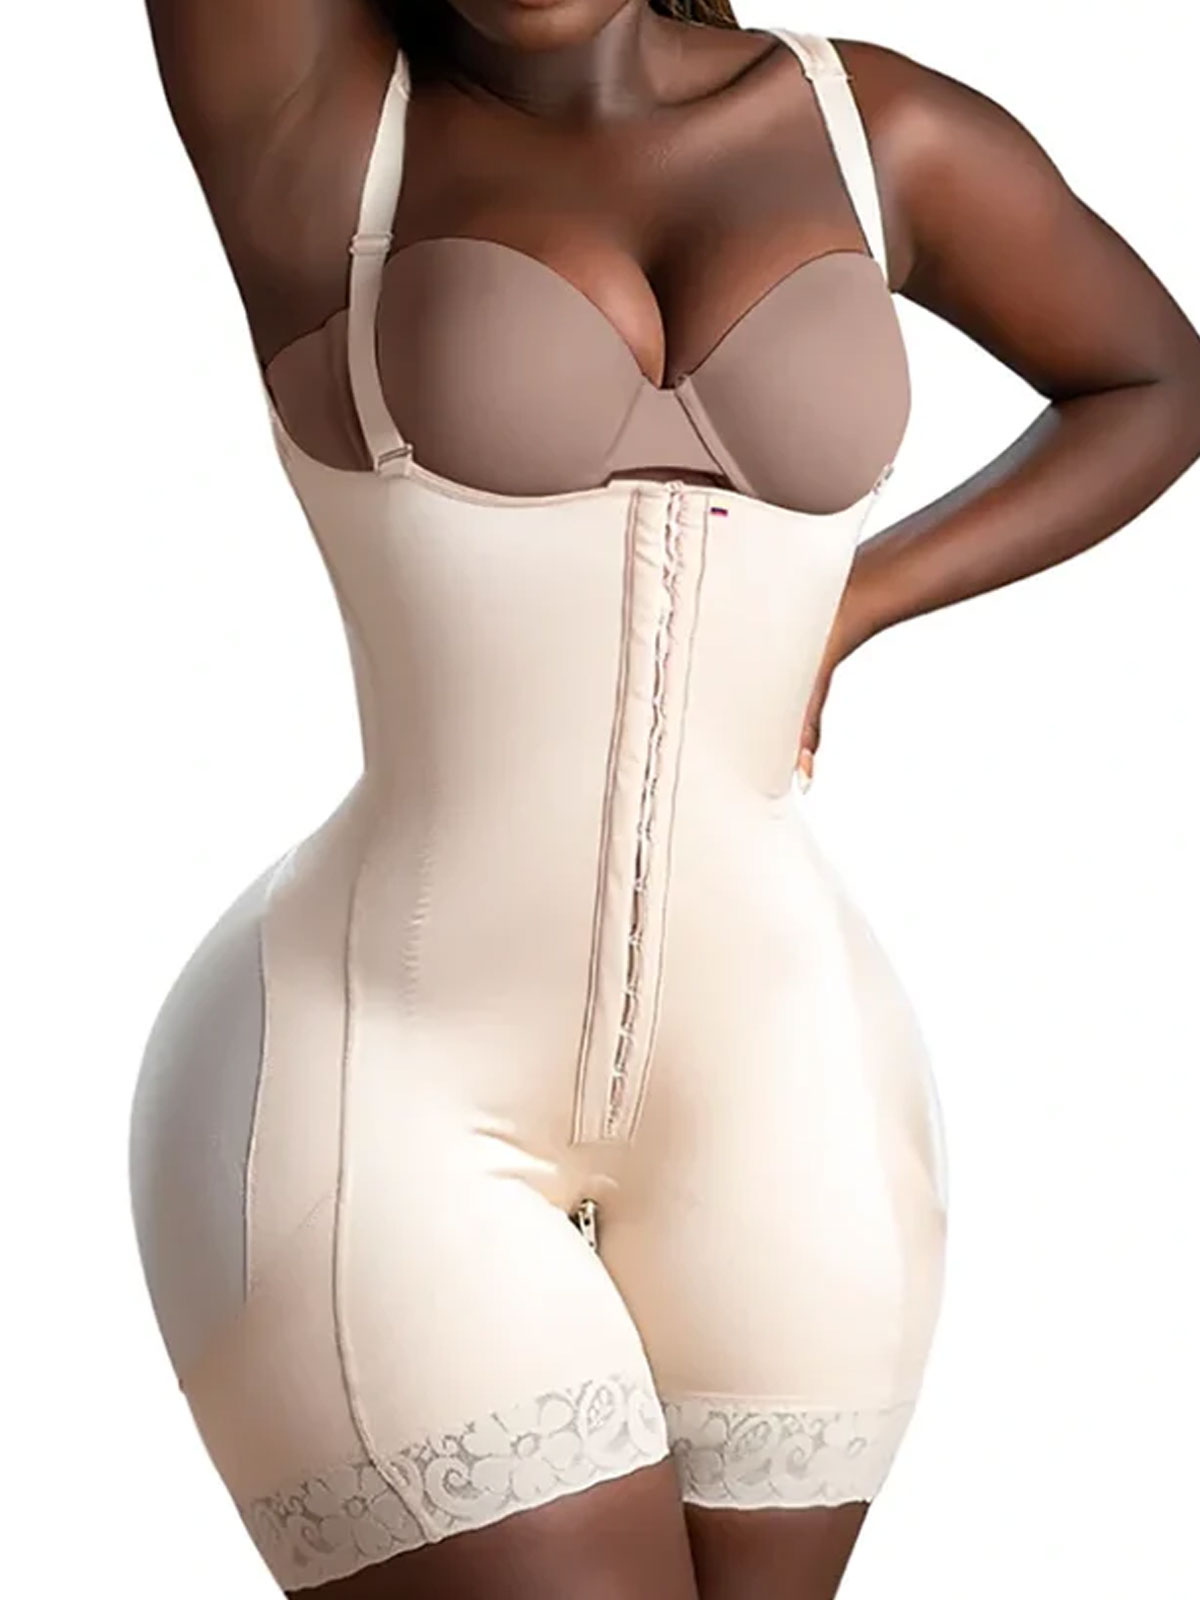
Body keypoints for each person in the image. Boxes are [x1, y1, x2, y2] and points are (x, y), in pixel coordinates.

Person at [126, 3, 1200, 1597]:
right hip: (377, 1077)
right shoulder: (322, 125)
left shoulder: (874, 134)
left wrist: (858, 602)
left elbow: (1152, 381)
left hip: (785, 1073)